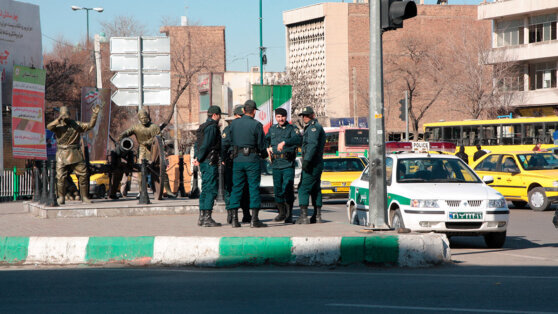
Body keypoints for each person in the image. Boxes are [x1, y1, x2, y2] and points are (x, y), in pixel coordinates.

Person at [117, 109, 176, 198]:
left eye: (145, 117)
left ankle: (168, 191)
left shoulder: (154, 127)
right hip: (142, 150)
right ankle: (141, 192)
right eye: (142, 118)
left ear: (148, 117)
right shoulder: (136, 127)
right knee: (141, 172)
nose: (144, 119)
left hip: (154, 151)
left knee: (162, 170)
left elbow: (160, 138)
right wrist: (121, 136)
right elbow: (127, 132)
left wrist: (150, 141)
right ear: (139, 119)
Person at [47, 105, 99, 204]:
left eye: (66, 114)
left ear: (70, 115)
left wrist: (95, 114)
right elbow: (49, 126)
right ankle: (61, 197)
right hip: (62, 154)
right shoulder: (58, 126)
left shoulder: (76, 124)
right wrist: (58, 119)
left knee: (83, 175)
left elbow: (90, 125)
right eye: (63, 114)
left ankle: (84, 197)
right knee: (60, 177)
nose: (65, 117)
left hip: (75, 153)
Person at [228, 100, 268, 228]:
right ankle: (254, 220)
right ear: (254, 111)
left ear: (244, 110)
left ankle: (234, 219)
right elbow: (261, 146)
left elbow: (229, 141)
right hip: (252, 159)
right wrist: (265, 155)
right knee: (253, 188)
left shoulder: (233, 124)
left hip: (237, 159)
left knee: (236, 188)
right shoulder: (257, 125)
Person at [265, 107, 302, 223]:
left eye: (283, 117)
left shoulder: (292, 129)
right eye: (278, 117)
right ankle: (281, 213)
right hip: (276, 164)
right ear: (276, 117)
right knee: (278, 190)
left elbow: (298, 139)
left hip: (287, 163)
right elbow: (266, 140)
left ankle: (289, 215)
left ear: (286, 117)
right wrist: (267, 147)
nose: (281, 119)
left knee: (287, 189)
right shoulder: (272, 129)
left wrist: (285, 142)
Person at [193, 105, 223, 227]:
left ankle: (201, 217)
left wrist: (197, 157)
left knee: (205, 189)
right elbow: (205, 145)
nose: (220, 118)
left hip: (204, 161)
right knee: (211, 189)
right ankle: (207, 217)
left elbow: (197, 144)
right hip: (209, 162)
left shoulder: (203, 127)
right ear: (215, 115)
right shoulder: (212, 128)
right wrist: (199, 158)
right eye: (219, 115)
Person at [222, 105, 251, 225]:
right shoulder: (229, 130)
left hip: (243, 161)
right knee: (230, 189)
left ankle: (246, 214)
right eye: (239, 116)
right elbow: (224, 145)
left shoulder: (246, 128)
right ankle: (231, 214)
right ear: (235, 116)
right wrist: (224, 159)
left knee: (245, 189)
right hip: (231, 163)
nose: (241, 118)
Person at [297, 106, 326, 224]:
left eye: (307, 115)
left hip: (312, 163)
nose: (304, 117)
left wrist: (307, 161)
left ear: (313, 115)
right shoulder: (312, 127)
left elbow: (312, 145)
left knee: (303, 188)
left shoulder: (314, 128)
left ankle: (304, 217)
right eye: (303, 115)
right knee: (315, 188)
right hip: (317, 162)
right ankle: (317, 216)